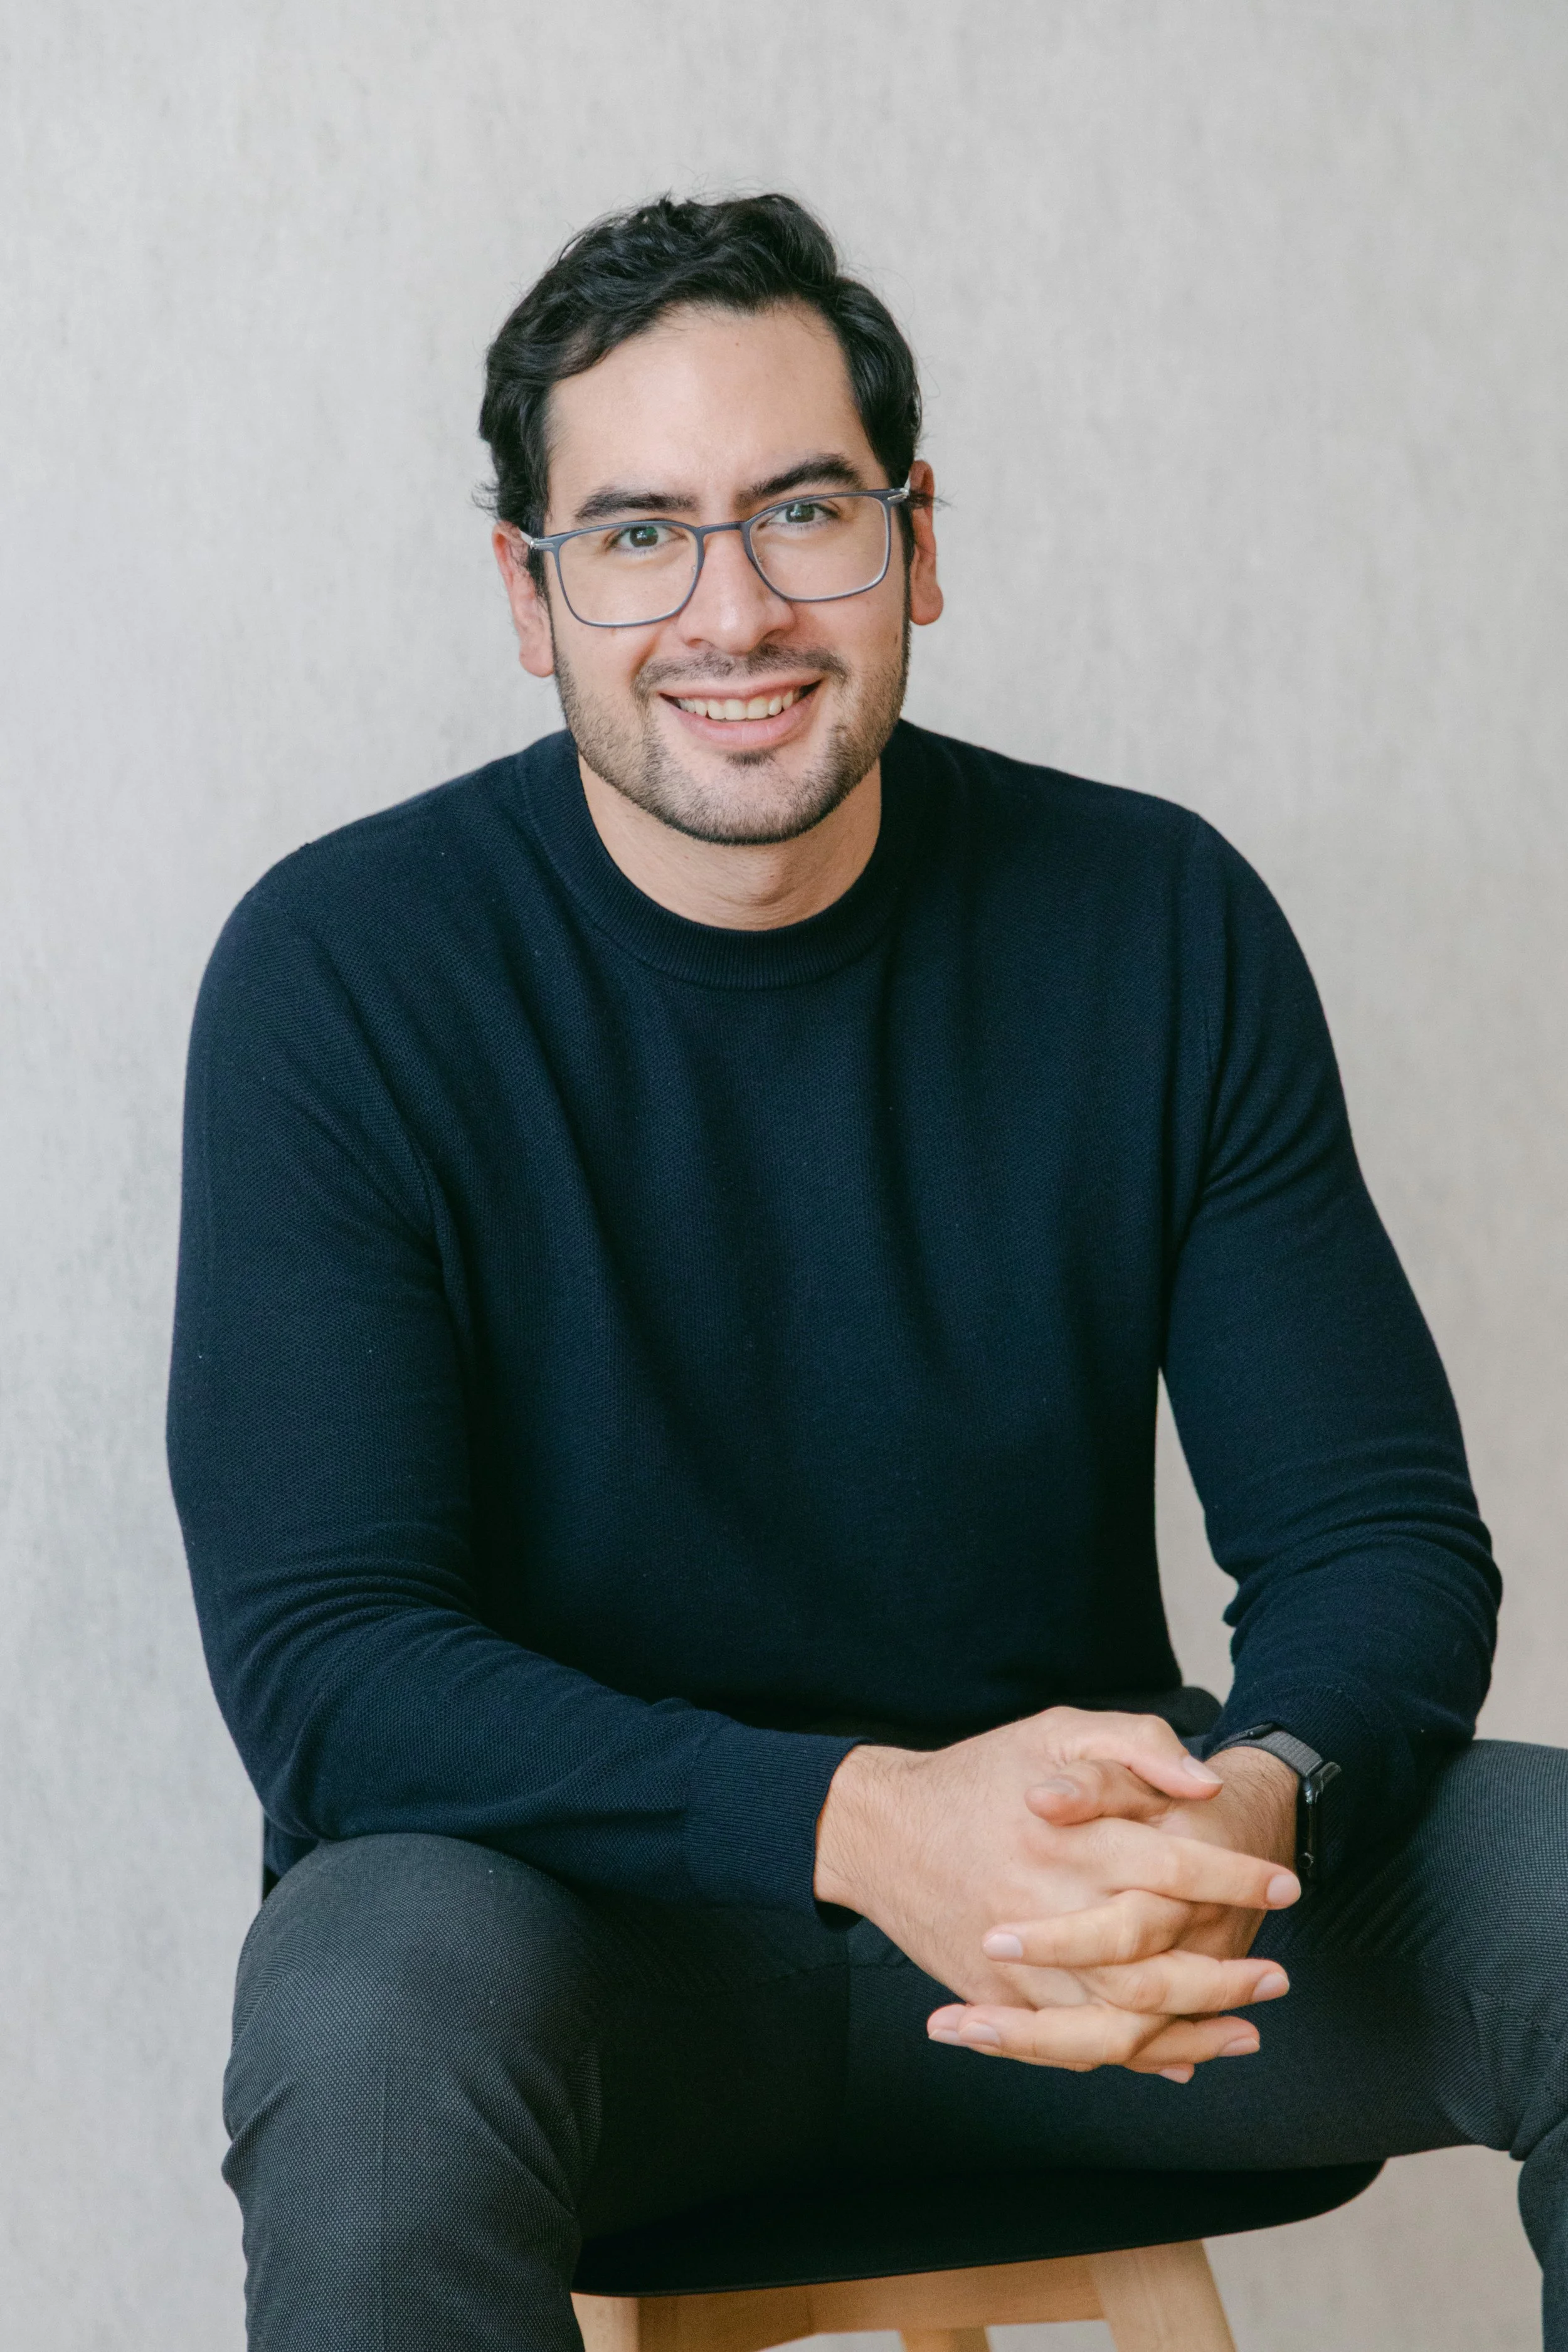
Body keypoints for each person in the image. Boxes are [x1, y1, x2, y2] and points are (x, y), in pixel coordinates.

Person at [167, 193, 1566, 2352]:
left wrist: (1251, 1797)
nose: (732, 607)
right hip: (595, 1965)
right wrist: (857, 1820)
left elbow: (1375, 1535)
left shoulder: (1153, 920)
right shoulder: (341, 977)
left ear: (914, 541)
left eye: (800, 509)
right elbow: (335, 1669)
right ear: (530, 597)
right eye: (636, 533)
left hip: (1088, 1934)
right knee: (366, 1993)